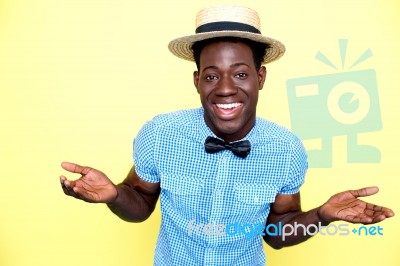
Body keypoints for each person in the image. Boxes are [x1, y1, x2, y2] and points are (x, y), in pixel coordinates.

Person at [60, 4, 394, 266]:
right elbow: (142, 205)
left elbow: (276, 233)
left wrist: (320, 216)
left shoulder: (286, 149)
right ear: (196, 80)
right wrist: (116, 196)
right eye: (211, 76)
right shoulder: (161, 133)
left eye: (241, 74)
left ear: (260, 78)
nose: (225, 89)